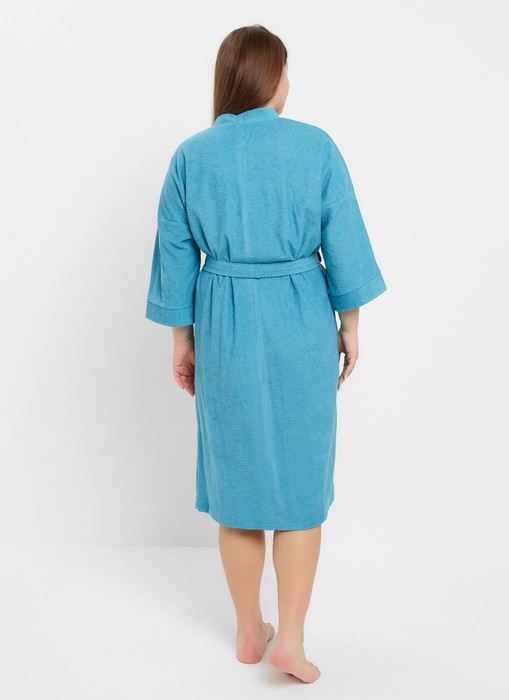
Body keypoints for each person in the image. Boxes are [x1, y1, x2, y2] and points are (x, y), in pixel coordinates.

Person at [145, 24, 387, 683]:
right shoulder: (315, 147)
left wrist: (183, 342)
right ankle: (293, 640)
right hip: (300, 318)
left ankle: (251, 632)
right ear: (274, 77)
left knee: (239, 482)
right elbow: (345, 238)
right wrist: (350, 325)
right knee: (300, 485)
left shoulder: (192, 156)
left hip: (222, 323)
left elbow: (175, 257)